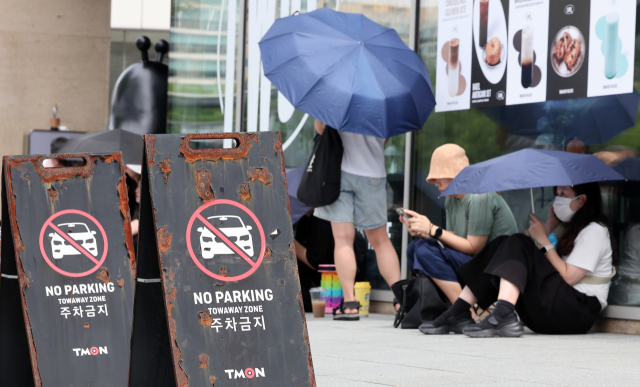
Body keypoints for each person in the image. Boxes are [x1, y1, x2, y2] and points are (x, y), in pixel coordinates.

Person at [421, 182, 613, 337]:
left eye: (563, 194)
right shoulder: (570, 228)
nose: (557, 199)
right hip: (557, 309)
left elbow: (569, 277)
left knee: (520, 241)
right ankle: (460, 310)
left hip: (577, 312)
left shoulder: (595, 230)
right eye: (556, 193)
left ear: (582, 200)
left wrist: (543, 239)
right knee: (503, 242)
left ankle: (503, 312)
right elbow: (536, 260)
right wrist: (549, 227)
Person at [400, 144, 518, 307]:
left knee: (423, 250)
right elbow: (454, 240)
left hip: (494, 269)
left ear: (454, 174)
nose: (434, 182)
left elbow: (474, 248)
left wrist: (432, 229)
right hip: (475, 262)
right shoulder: (451, 199)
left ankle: (463, 311)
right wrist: (425, 233)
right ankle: (442, 305)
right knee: (415, 247)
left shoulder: (479, 196)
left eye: (438, 176)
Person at [313, 119, 401, 320]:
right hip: (372, 173)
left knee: (343, 239)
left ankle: (351, 303)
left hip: (338, 171)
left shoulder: (335, 96)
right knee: (380, 240)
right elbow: (386, 138)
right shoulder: (381, 100)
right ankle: (399, 298)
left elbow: (320, 129)